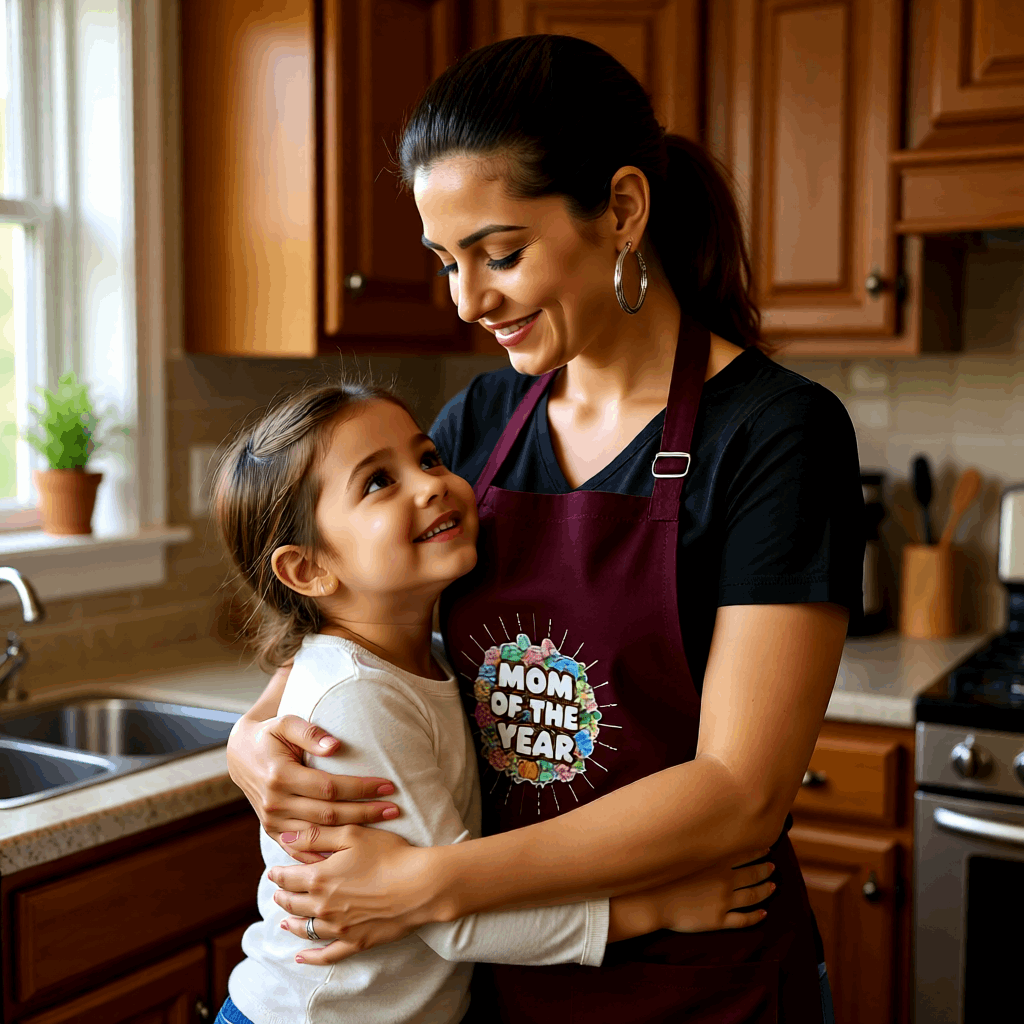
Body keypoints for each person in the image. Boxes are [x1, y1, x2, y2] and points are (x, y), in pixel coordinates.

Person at [225, 35, 860, 1024]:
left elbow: (740, 790)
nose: (470, 301)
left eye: (501, 253)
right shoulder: (477, 427)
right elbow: (342, 635)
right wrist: (250, 739)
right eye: (446, 262)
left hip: (698, 976)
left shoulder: (775, 432)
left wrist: (436, 884)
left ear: (620, 209)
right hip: (498, 984)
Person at [211, 380, 777, 1024]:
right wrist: (655, 909)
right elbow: (450, 919)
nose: (431, 484)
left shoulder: (427, 660)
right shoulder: (358, 703)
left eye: (428, 458)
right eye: (377, 483)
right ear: (309, 571)